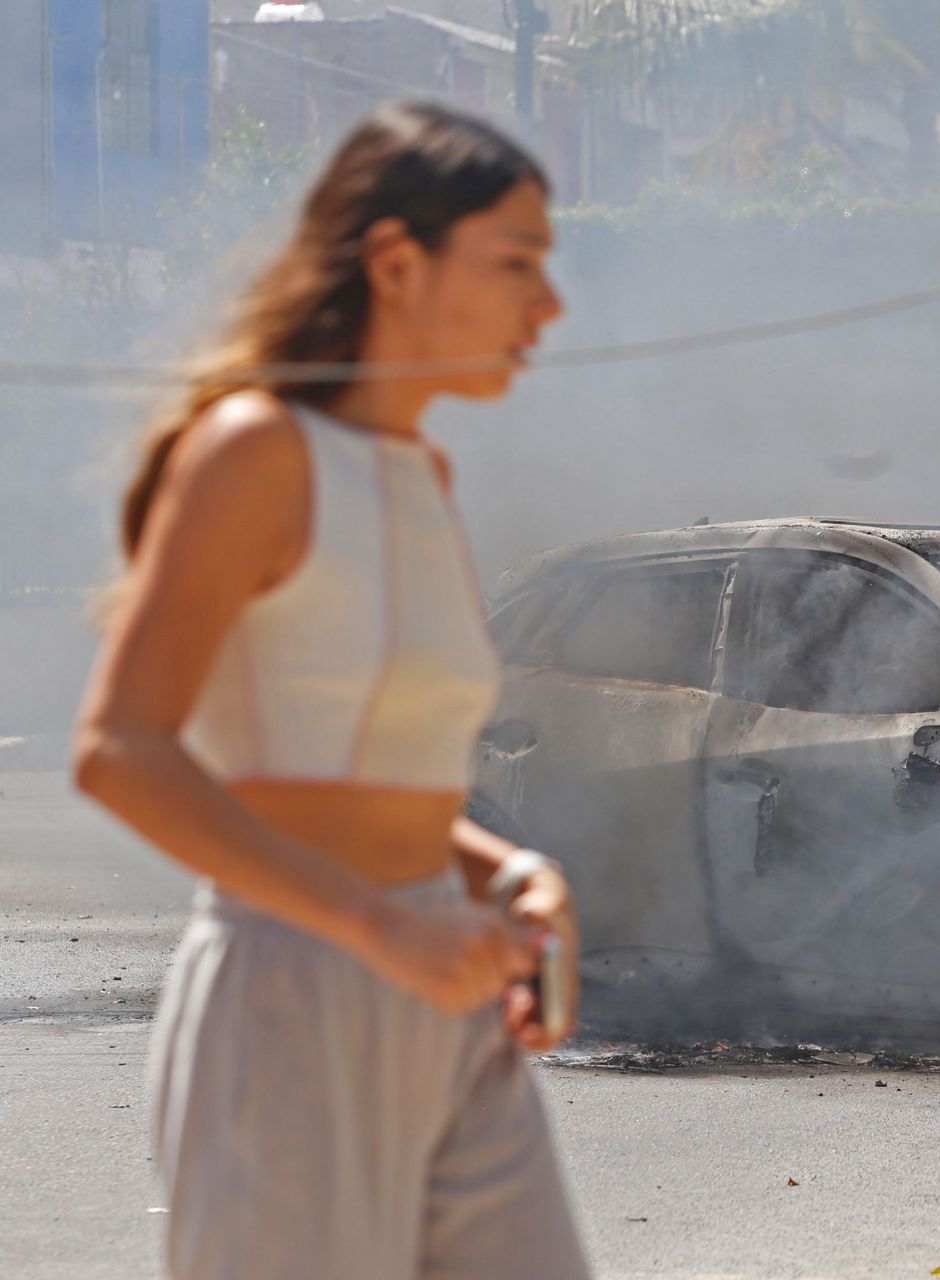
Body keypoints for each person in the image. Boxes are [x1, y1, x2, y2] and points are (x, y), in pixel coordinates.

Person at [70, 101, 589, 1279]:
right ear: (396, 263)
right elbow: (117, 748)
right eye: (516, 262)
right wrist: (375, 925)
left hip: (444, 982)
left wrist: (511, 873)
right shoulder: (252, 450)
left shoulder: (422, 470)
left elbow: (367, 778)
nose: (549, 304)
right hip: (290, 996)